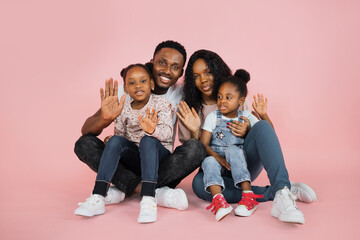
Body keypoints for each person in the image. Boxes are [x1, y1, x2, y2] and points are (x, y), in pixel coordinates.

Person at [177, 49, 317, 224]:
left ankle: (282, 189)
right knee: (199, 186)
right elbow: (192, 155)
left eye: (207, 72)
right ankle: (278, 191)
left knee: (262, 126)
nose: (203, 79)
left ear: (217, 71)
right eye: (196, 76)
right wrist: (195, 131)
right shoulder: (188, 108)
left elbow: (266, 133)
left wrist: (251, 127)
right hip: (214, 167)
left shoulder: (237, 98)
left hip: (242, 162)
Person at [74, 41, 206, 212]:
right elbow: (86, 131)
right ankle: (153, 193)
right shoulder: (128, 89)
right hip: (129, 158)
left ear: (181, 72)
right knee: (84, 143)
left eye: (175, 67)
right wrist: (105, 119)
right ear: (152, 62)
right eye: (162, 63)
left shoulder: (181, 94)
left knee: (196, 148)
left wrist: (195, 129)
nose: (167, 70)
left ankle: (124, 188)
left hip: (159, 163)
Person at [75, 64, 173, 223]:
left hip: (158, 154)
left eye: (143, 81)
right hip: (135, 159)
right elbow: (120, 136)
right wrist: (112, 143)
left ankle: (148, 199)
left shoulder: (161, 103)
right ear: (126, 89)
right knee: (114, 140)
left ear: (152, 84)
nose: (138, 86)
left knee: (147, 141)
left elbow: (168, 133)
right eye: (132, 83)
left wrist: (152, 131)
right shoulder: (123, 107)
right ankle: (99, 196)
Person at [201, 70, 264, 221]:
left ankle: (248, 197)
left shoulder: (247, 117)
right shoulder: (212, 117)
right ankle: (219, 201)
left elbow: (268, 135)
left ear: (241, 101)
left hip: (238, 163)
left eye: (228, 98)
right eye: (219, 97)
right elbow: (203, 144)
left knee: (233, 150)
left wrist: (264, 115)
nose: (222, 101)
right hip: (218, 163)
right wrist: (217, 158)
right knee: (207, 161)